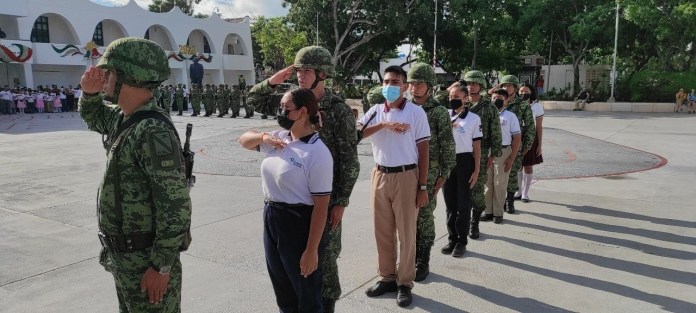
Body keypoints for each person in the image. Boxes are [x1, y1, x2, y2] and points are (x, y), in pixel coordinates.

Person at [78, 37, 192, 313]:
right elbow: (94, 118)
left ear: (130, 76)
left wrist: (161, 266)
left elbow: (175, 204)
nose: (104, 77)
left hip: (146, 262)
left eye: (110, 72)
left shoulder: (152, 130)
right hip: (126, 260)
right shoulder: (126, 118)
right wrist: (90, 93)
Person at [248, 46, 360, 313]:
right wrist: (273, 80)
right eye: (298, 70)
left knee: (325, 266)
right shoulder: (292, 102)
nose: (300, 75)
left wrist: (340, 202)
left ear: (322, 74)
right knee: (289, 273)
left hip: (323, 199)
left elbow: (350, 162)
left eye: (306, 70)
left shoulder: (339, 111)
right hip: (291, 202)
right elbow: (253, 100)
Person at [238, 88, 332, 313]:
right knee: (283, 289)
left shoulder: (317, 153)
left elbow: (321, 206)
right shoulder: (278, 138)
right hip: (272, 216)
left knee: (306, 294)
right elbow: (243, 141)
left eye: (285, 108)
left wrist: (311, 251)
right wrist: (263, 137)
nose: (280, 112)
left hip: (299, 223)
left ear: (302, 112)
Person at [358, 65, 430, 308]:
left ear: (405, 86)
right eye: (387, 81)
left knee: (407, 233)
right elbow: (356, 134)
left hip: (407, 176)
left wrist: (423, 186)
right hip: (380, 175)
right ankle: (387, 277)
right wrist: (385, 125)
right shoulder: (375, 111)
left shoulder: (416, 113)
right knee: (382, 230)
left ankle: (404, 282)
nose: (390, 86)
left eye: (395, 82)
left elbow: (424, 150)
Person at [406, 63, 456, 282]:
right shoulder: (404, 108)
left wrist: (444, 175)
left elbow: (448, 145)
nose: (414, 88)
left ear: (430, 86)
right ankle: (408, 258)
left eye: (419, 84)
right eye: (412, 83)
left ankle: (422, 261)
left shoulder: (437, 113)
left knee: (424, 216)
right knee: (406, 217)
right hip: (405, 170)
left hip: (431, 171)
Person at [441, 81, 481, 257]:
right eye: (451, 97)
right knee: (450, 204)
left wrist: (477, 169)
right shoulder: (444, 116)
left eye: (456, 97)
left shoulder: (473, 119)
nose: (453, 99)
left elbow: (477, 146)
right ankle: (452, 238)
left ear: (466, 99)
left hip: (465, 162)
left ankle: (461, 242)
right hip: (448, 162)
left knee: (463, 205)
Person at [462, 71, 502, 239]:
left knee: (477, 190)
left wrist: (493, 155)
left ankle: (474, 224)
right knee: (461, 191)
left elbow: (496, 132)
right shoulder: (459, 103)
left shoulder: (489, 107)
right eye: (468, 84)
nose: (471, 87)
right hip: (460, 153)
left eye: (475, 84)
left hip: (482, 152)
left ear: (481, 86)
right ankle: (461, 223)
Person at [498, 76, 535, 214]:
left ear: (515, 88)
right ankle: (499, 202)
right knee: (498, 174)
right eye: (503, 86)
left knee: (512, 173)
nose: (506, 88)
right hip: (498, 144)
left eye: (509, 86)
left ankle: (510, 202)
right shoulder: (496, 102)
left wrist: (527, 145)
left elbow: (530, 126)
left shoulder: (522, 105)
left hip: (515, 145)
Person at [485, 89, 521, 224]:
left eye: (499, 97)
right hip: (488, 151)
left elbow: (517, 138)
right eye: (494, 97)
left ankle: (498, 213)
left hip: (503, 152)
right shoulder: (487, 114)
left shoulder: (510, 116)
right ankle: (488, 211)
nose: (496, 100)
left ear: (506, 100)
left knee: (499, 184)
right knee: (487, 184)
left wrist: (511, 158)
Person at [519, 83, 544, 202]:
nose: (524, 93)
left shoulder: (536, 106)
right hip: (517, 137)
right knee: (517, 166)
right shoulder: (514, 105)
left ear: (531, 92)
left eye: (526, 91)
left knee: (528, 167)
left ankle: (525, 193)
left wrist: (539, 144)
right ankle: (518, 191)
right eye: (521, 91)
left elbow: (539, 127)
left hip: (530, 138)